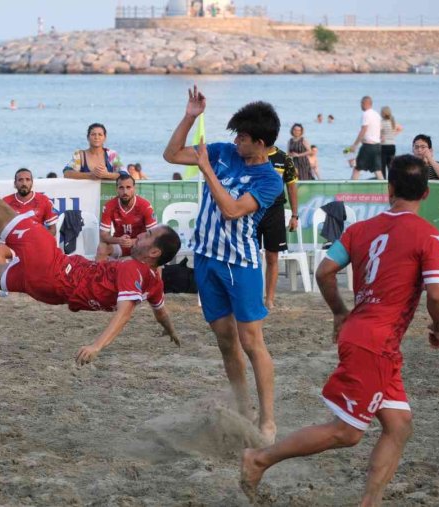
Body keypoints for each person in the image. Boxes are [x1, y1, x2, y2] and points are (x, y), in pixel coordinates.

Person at [240, 154, 439, 505]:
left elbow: (324, 272)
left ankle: (369, 503)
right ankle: (259, 459)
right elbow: (438, 294)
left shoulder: (359, 230)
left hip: (368, 337)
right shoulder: (428, 234)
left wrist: (340, 311)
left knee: (398, 426)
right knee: (347, 432)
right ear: (426, 194)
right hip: (376, 343)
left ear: (390, 189)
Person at [0, 137, 182, 366]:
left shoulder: (134, 269)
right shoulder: (153, 281)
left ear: (154, 252)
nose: (142, 233)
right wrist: (171, 332)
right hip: (54, 288)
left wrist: (96, 346)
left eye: (149, 235)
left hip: (54, 270)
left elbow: (124, 313)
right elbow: (161, 312)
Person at [163, 88, 284, 443]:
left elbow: (232, 210)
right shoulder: (223, 152)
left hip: (240, 265)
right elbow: (171, 154)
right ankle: (243, 408)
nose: (236, 141)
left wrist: (206, 171)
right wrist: (189, 115)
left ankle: (268, 419)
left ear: (260, 143)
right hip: (206, 260)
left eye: (243, 137)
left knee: (252, 341)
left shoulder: (270, 179)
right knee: (225, 341)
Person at [259, 146, 299, 309]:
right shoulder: (252, 154)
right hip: (253, 208)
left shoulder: (284, 158)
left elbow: (291, 187)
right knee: (250, 257)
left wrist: (295, 215)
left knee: (272, 257)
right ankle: (253, 296)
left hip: (275, 211)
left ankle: (269, 299)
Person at [0, 167, 58, 267]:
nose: (24, 183)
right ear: (15, 184)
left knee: (52, 250)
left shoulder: (44, 201)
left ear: (32, 183)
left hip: (36, 245)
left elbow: (52, 230)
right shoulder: (5, 202)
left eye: (27, 180)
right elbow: (0, 233)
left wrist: (36, 239)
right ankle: (2, 281)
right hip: (14, 245)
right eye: (20, 180)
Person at [96, 174, 158, 262]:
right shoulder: (109, 206)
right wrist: (119, 240)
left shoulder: (145, 206)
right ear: (116, 189)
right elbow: (103, 235)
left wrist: (133, 241)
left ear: (134, 188)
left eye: (128, 187)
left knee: (157, 249)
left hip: (140, 244)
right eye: (121, 188)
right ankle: (98, 275)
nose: (125, 191)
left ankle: (156, 276)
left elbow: (154, 235)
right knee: (102, 248)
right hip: (120, 245)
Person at [346, 96, 383, 180]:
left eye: (361, 103)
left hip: (368, 146)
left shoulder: (366, 114)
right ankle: (385, 189)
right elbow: (380, 130)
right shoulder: (376, 115)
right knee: (377, 169)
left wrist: (355, 145)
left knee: (357, 168)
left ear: (365, 103)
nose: (360, 105)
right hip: (377, 145)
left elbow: (364, 129)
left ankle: (352, 189)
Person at [380, 106, 403, 177]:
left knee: (382, 166)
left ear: (382, 113)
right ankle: (392, 182)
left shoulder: (382, 122)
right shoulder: (392, 122)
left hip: (384, 146)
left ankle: (383, 182)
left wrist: (381, 137)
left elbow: (378, 132)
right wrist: (393, 135)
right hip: (392, 146)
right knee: (390, 166)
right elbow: (400, 128)